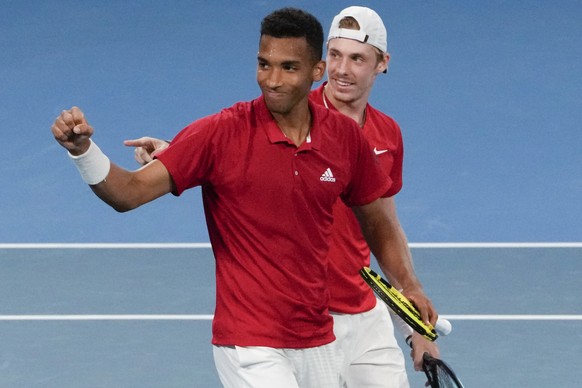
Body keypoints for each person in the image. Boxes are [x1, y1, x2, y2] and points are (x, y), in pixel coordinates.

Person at [51, 7, 437, 388]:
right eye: (264, 64)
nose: (272, 80)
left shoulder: (347, 139)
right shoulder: (219, 133)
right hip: (250, 342)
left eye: (288, 67)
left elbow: (378, 221)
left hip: (317, 335)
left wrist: (410, 288)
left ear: (313, 72)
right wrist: (83, 151)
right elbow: (127, 193)